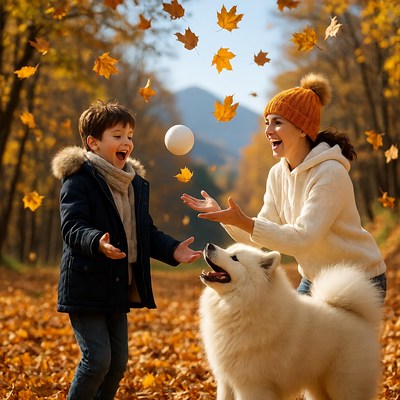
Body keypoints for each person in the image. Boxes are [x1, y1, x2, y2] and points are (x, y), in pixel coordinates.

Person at [181, 72, 387, 301]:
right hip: (315, 278)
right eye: (268, 123)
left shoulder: (330, 172)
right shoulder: (277, 173)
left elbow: (303, 238)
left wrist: (246, 222)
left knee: (329, 339)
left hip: (358, 279)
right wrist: (224, 216)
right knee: (299, 338)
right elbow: (258, 236)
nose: (268, 131)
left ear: (302, 129)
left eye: (277, 123)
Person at [51, 99, 202, 400]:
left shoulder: (133, 184)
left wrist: (173, 250)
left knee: (117, 364)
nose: (126, 142)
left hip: (118, 285)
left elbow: (145, 231)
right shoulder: (79, 180)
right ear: (93, 143)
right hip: (86, 284)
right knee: (97, 361)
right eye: (117, 135)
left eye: (130, 136)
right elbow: (72, 227)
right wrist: (97, 241)